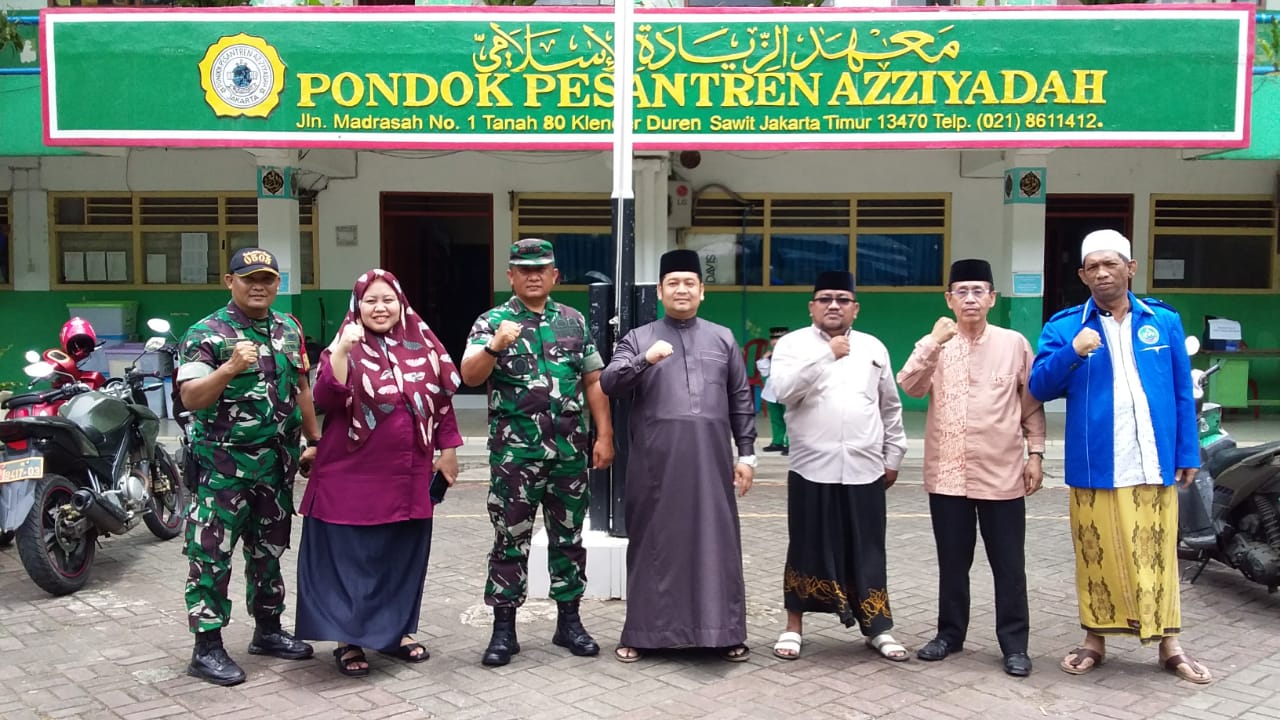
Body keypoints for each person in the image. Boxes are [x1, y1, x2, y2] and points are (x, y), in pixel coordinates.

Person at [1029, 230, 1210, 684]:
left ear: (1130, 269)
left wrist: (1187, 451)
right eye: (1093, 267)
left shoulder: (1163, 321)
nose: (1102, 273)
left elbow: (1182, 392)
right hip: (1096, 464)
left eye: (1111, 264)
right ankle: (1095, 640)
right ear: (1082, 275)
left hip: (1153, 459)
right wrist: (1072, 352)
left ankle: (1169, 644)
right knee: (1096, 554)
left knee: (1159, 554)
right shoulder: (1065, 325)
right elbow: (1038, 387)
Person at [294, 269, 463, 677]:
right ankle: (349, 639)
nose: (380, 307)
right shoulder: (343, 346)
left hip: (408, 474)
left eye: (387, 299)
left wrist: (449, 450)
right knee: (352, 558)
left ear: (400, 303)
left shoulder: (422, 345)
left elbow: (439, 401)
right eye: (370, 300)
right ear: (357, 306)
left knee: (400, 555)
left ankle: (397, 632)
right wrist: (339, 353)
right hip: (350, 477)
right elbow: (325, 397)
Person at [460, 238, 615, 667]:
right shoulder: (492, 321)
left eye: (541, 269)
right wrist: (495, 345)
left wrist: (605, 436)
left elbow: (593, 381)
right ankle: (504, 630)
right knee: (510, 541)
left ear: (554, 276)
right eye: (523, 269)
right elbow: (468, 376)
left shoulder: (573, 321)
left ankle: (570, 623)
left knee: (569, 539)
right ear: (510, 276)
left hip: (569, 452)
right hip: (516, 457)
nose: (532, 276)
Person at [600, 249, 757, 664]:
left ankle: (723, 633)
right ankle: (644, 632)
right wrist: (643, 360)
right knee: (654, 542)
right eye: (674, 283)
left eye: (690, 283)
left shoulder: (722, 337)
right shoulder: (639, 337)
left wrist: (747, 455)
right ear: (660, 291)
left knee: (716, 543)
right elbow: (610, 382)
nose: (682, 289)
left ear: (702, 291)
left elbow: (741, 399)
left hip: (711, 463)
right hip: (656, 465)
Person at [896, 259, 1046, 677]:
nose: (970, 299)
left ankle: (1015, 645)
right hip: (947, 474)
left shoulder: (1014, 343)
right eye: (961, 291)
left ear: (993, 298)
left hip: (1002, 474)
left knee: (1009, 564)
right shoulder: (937, 343)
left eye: (979, 291)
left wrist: (1036, 453)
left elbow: (1030, 402)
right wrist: (931, 342)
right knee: (952, 561)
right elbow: (908, 385)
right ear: (949, 299)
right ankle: (949, 635)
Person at [177, 247, 319, 686]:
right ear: (229, 281)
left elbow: (301, 387)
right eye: (248, 278)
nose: (258, 286)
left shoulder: (288, 328)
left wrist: (315, 440)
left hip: (275, 465)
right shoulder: (207, 333)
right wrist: (228, 368)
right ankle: (207, 647)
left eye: (267, 279)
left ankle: (268, 629)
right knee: (211, 555)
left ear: (278, 283)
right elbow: (190, 398)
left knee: (268, 551)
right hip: (222, 469)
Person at [767, 270, 908, 663]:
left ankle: (877, 628)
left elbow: (890, 406)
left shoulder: (874, 347)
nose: (834, 305)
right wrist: (826, 355)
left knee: (867, 548)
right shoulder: (793, 345)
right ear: (811, 306)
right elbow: (783, 392)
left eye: (842, 299)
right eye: (825, 298)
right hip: (812, 466)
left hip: (865, 467)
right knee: (806, 545)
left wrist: (893, 455)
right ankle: (794, 625)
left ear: (855, 309)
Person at [758, 326, 790, 456]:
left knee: (789, 419)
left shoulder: (793, 354)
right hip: (772, 392)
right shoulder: (770, 355)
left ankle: (790, 444)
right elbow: (765, 373)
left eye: (779, 338)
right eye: (773, 338)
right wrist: (764, 359)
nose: (775, 341)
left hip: (787, 390)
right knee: (776, 419)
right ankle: (777, 442)